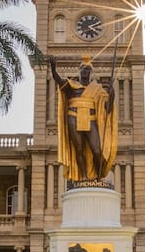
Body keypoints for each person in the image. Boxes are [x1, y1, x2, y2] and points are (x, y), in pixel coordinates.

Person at [50, 55, 117, 183]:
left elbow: (107, 110)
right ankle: (84, 177)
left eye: (88, 70)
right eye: (83, 70)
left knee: (97, 151)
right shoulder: (72, 86)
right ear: (79, 72)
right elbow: (58, 80)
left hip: (90, 119)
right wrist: (53, 69)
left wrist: (112, 94)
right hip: (73, 118)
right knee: (79, 150)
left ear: (91, 74)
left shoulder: (97, 90)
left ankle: (98, 177)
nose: (85, 72)